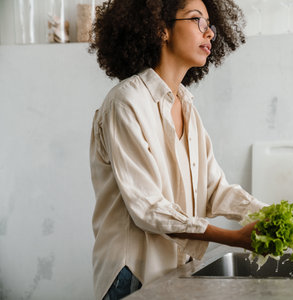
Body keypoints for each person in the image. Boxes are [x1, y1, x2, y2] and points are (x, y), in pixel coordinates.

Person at [88, 0, 266, 299]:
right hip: (132, 275)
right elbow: (147, 207)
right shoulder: (126, 102)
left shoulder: (186, 106)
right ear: (161, 29)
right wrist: (233, 238)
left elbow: (213, 190)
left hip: (176, 271)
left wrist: (267, 215)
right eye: (197, 20)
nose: (209, 33)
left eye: (210, 24)